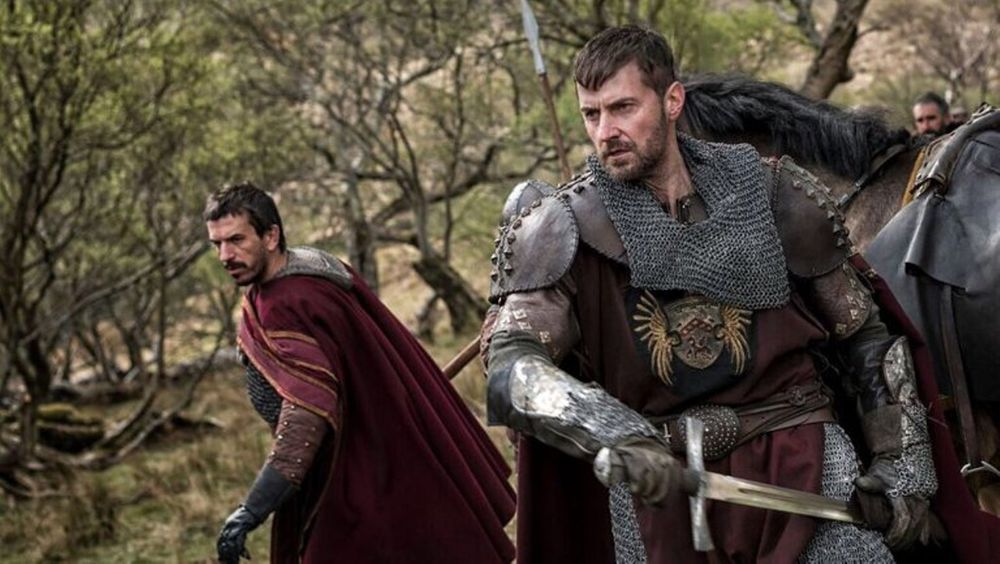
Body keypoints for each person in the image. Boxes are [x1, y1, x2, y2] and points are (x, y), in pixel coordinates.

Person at [482, 26, 996, 563]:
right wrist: (607, 429)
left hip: (804, 472)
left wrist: (901, 468)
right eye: (591, 115)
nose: (605, 131)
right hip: (660, 494)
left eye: (623, 108)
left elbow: (866, 336)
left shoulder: (773, 192)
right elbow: (512, 367)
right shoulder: (561, 228)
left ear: (672, 101)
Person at [204, 183, 515, 564]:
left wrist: (253, 508)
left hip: (354, 482)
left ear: (271, 236)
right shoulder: (310, 273)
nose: (225, 255)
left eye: (236, 240)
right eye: (217, 244)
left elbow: (307, 414)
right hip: (395, 452)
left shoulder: (288, 305)